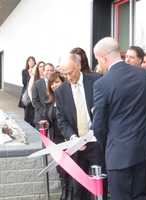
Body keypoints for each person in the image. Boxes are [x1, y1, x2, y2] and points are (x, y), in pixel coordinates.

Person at [92, 37, 146, 200]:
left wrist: (108, 145)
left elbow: (98, 127)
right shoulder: (144, 76)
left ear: (103, 58)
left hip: (118, 154)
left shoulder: (102, 84)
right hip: (144, 149)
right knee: (142, 196)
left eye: (98, 60)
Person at [55, 53, 104, 200]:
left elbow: (105, 109)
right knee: (78, 188)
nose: (68, 77)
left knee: (100, 184)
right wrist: (73, 137)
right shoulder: (61, 91)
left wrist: (96, 129)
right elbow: (61, 120)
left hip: (97, 142)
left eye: (70, 72)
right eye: (64, 74)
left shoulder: (96, 81)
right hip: (77, 144)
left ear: (79, 65)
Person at [45, 71, 70, 200]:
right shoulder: (52, 100)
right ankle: (64, 194)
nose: (54, 85)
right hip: (56, 142)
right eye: (52, 83)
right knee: (61, 171)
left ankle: (68, 195)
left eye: (57, 82)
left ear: (63, 82)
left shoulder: (68, 99)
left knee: (68, 171)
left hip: (67, 141)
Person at [32, 63, 54, 128]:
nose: (49, 72)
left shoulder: (56, 83)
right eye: (47, 70)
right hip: (41, 117)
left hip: (54, 119)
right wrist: (45, 112)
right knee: (41, 137)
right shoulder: (37, 84)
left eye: (51, 70)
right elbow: (35, 101)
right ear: (43, 72)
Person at [18, 56, 36, 127]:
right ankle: (27, 127)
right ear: (27, 62)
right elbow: (24, 82)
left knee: (34, 114)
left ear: (35, 62)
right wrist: (29, 74)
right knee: (27, 114)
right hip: (26, 95)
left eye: (32, 61)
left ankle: (34, 127)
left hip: (34, 94)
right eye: (29, 61)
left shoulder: (36, 71)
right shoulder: (24, 71)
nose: (31, 62)